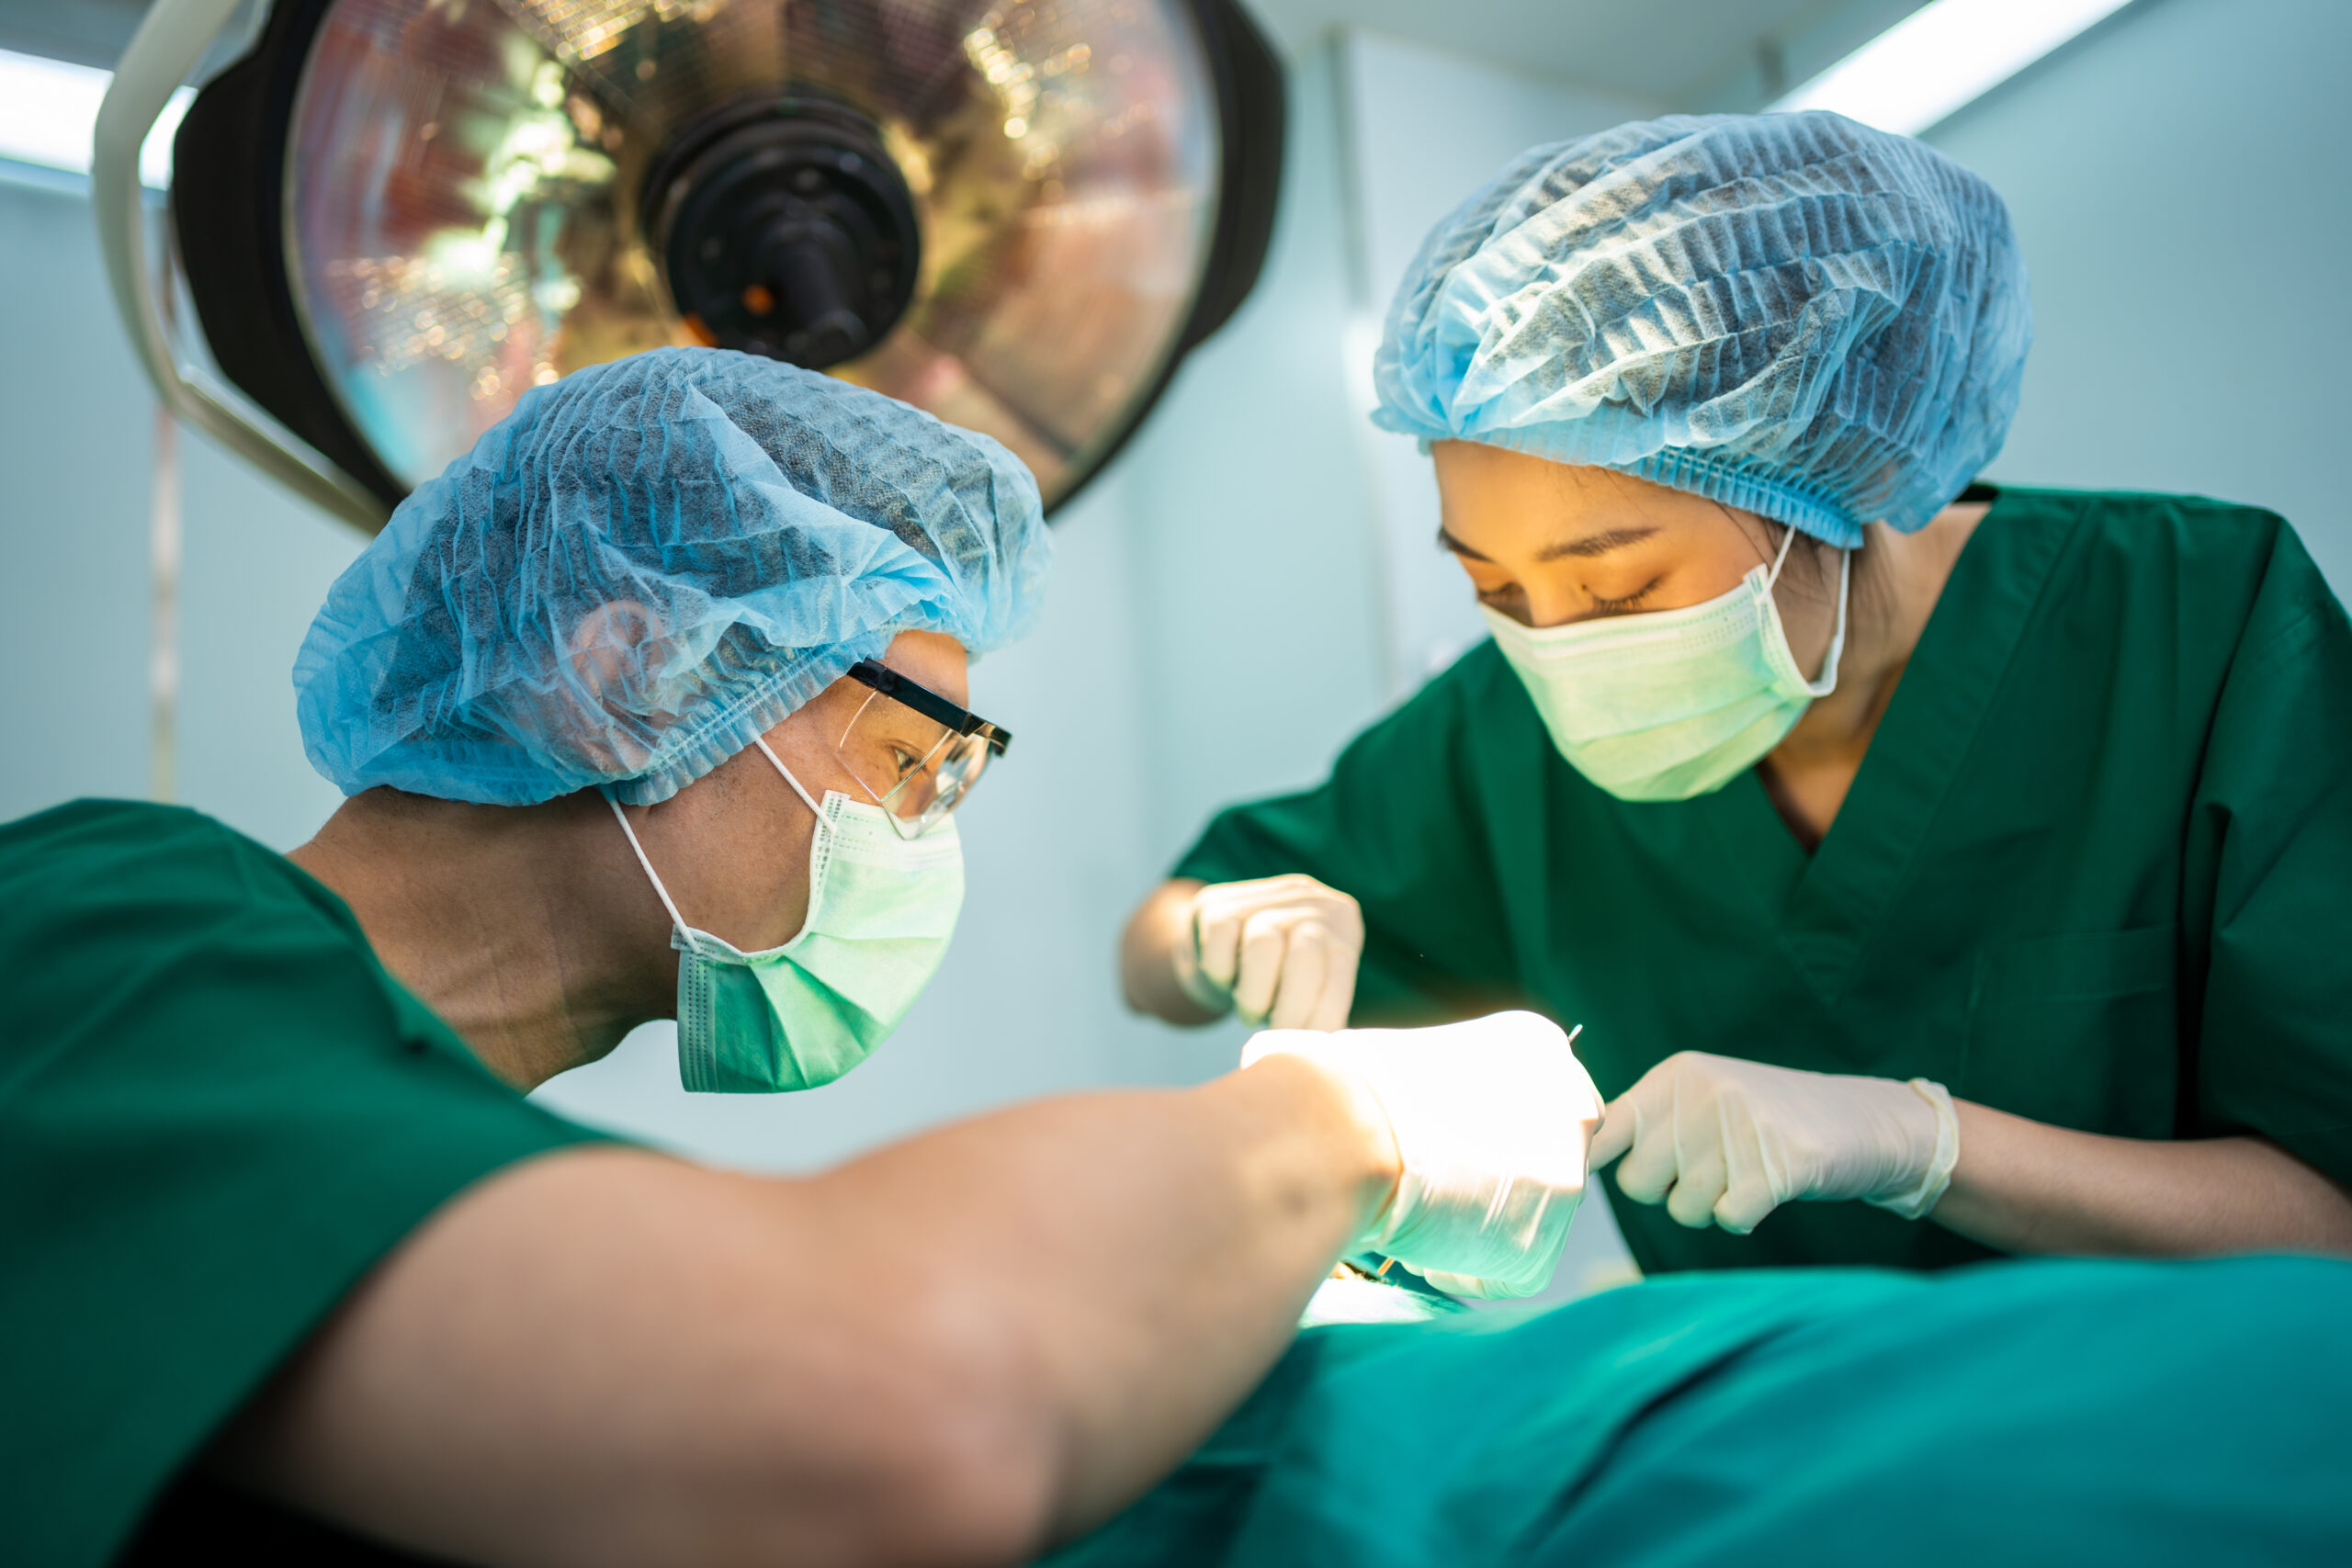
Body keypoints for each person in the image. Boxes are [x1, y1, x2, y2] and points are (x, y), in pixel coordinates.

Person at [1, 348, 1605, 1568]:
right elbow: (896, 1411)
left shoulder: (454, 1166)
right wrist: (1334, 1133)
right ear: (628, 675)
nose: (927, 833)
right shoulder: (112, 924)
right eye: (913, 757)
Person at [1121, 111, 2352, 1277]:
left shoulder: (2190, 621)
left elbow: (2328, 1219)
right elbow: (1157, 951)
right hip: (1757, 1456)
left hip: (2193, 1439)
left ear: (1828, 474)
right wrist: (1207, 937)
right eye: (1493, 588)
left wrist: (1922, 1147)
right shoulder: (1508, 735)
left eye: (1616, 588)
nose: (1554, 648)